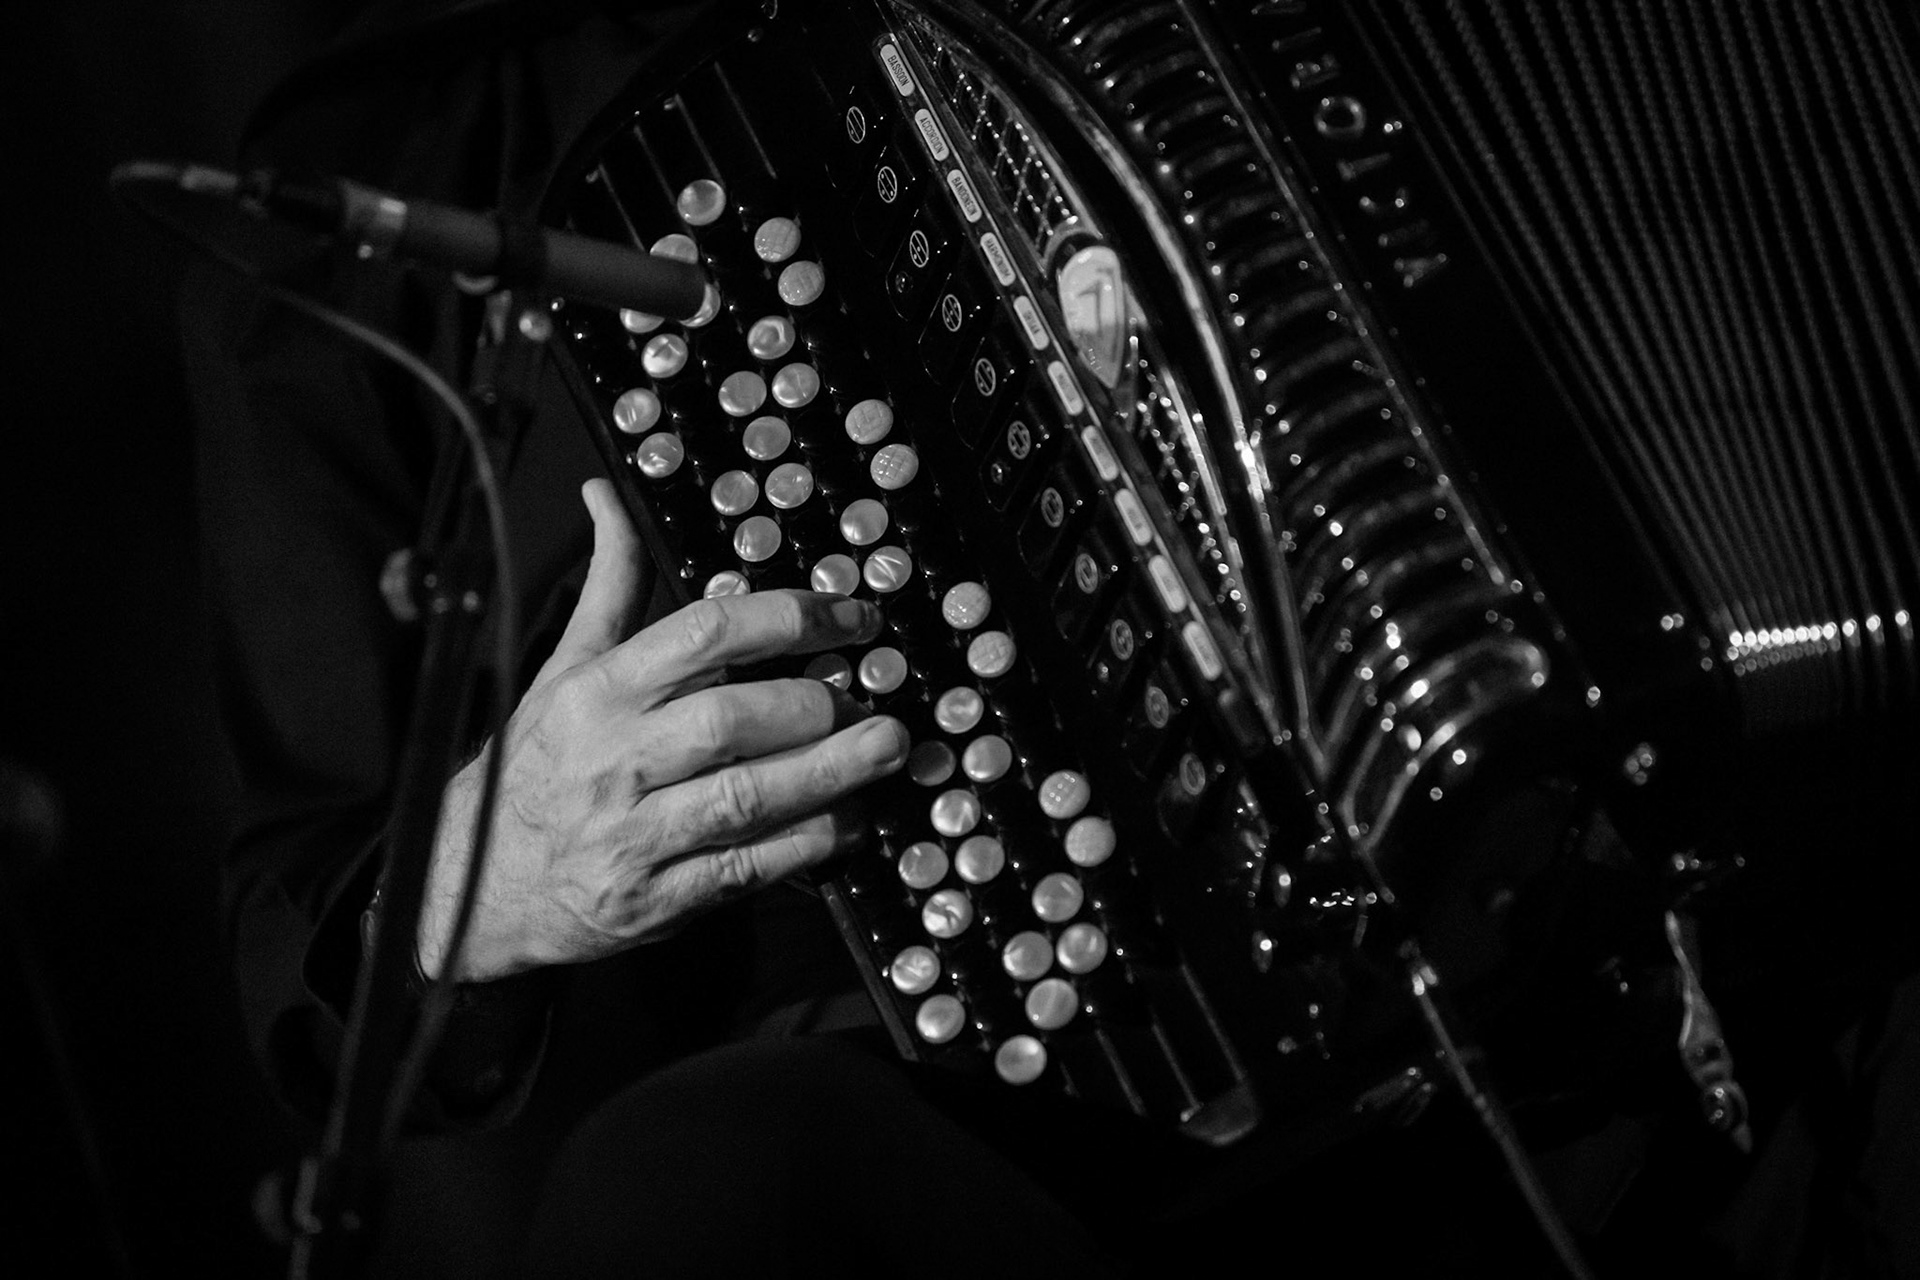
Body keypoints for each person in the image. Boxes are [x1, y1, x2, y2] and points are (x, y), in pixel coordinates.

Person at [185, 1, 1920, 1276]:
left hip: (1714, 881)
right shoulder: (376, 210)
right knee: (702, 1201)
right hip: (1091, 1073)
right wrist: (490, 884)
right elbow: (308, 948)